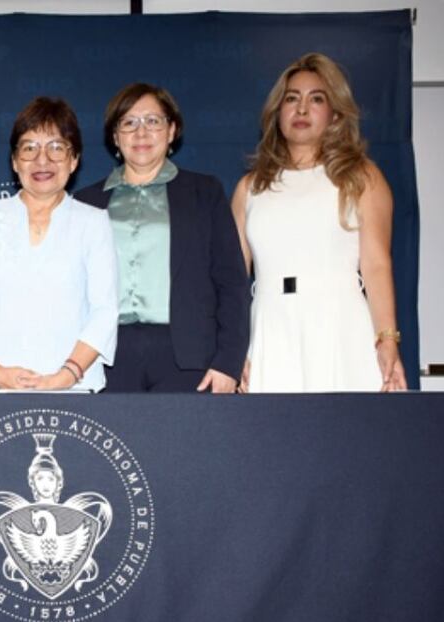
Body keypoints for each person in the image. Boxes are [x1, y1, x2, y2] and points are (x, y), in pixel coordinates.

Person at [231, 52, 407, 392]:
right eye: (291, 99)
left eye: (316, 99)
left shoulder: (362, 177)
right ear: (277, 112)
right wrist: (234, 351)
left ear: (335, 114)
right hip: (270, 326)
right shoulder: (249, 188)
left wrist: (387, 340)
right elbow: (233, 280)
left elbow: (376, 265)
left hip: (341, 325)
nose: (301, 109)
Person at [75, 83, 249, 393]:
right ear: (115, 136)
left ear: (172, 131)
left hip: (188, 356)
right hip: (106, 356)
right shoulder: (86, 202)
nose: (141, 132)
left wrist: (228, 362)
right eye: (129, 122)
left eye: (153, 121)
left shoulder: (204, 193)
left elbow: (232, 283)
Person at [0, 97, 118, 393]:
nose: (42, 160)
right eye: (29, 148)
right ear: (15, 161)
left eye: (56, 147)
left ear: (74, 159)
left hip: (72, 387)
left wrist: (66, 376)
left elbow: (104, 311)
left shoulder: (93, 222)